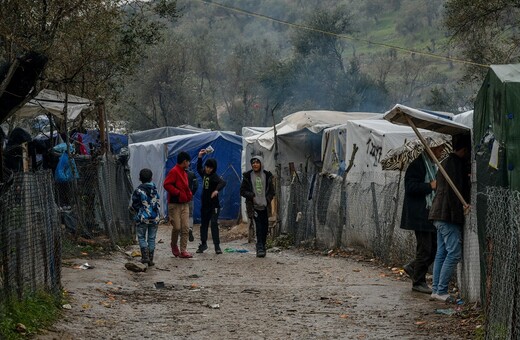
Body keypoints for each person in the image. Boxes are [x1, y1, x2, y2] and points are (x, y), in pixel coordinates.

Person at [429, 134, 471, 302]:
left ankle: (436, 289)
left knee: (441, 252)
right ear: (465, 149)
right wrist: (463, 208)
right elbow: (456, 193)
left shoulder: (444, 162)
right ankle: (441, 290)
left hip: (437, 214)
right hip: (448, 215)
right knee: (453, 253)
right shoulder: (456, 165)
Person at [400, 141, 446, 294]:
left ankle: (413, 267)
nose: (442, 152)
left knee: (433, 248)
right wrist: (430, 186)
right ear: (431, 149)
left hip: (429, 214)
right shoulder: (418, 165)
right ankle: (418, 282)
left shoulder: (432, 166)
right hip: (419, 214)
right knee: (425, 249)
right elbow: (411, 187)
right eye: (440, 149)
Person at [240, 155, 275, 258]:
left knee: (264, 228)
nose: (255, 164)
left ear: (261, 164)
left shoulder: (267, 175)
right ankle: (259, 247)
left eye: (257, 162)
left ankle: (263, 246)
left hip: (265, 206)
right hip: (254, 206)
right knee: (258, 227)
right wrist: (252, 196)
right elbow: (242, 191)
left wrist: (267, 199)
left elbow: (272, 191)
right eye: (253, 163)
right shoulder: (247, 176)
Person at [196, 149, 226, 254]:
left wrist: (216, 190)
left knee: (213, 223)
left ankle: (217, 246)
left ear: (214, 168)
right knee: (203, 224)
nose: (208, 169)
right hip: (205, 205)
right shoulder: (204, 174)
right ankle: (203, 244)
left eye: (210, 168)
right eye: (207, 167)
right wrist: (200, 157)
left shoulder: (215, 177)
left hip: (214, 205)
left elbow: (223, 182)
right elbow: (199, 168)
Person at [164, 151, 194, 258]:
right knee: (176, 227)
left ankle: (183, 250)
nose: (189, 163)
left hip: (184, 203)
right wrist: (177, 193)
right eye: (188, 162)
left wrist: (188, 194)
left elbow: (186, 187)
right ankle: (173, 244)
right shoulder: (174, 171)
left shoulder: (184, 172)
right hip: (174, 204)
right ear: (185, 161)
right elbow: (166, 184)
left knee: (185, 227)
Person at [130, 168, 161, 266]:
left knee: (141, 237)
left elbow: (135, 204)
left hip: (143, 218)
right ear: (151, 178)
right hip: (154, 217)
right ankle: (151, 259)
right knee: (152, 238)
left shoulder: (138, 190)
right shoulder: (155, 189)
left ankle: (145, 257)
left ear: (139, 178)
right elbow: (157, 201)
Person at [186, 168, 198, 243]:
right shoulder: (191, 174)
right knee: (190, 215)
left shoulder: (177, 173)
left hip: (180, 197)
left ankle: (182, 231)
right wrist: (192, 193)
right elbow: (196, 185)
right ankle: (190, 228)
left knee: (181, 214)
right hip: (189, 197)